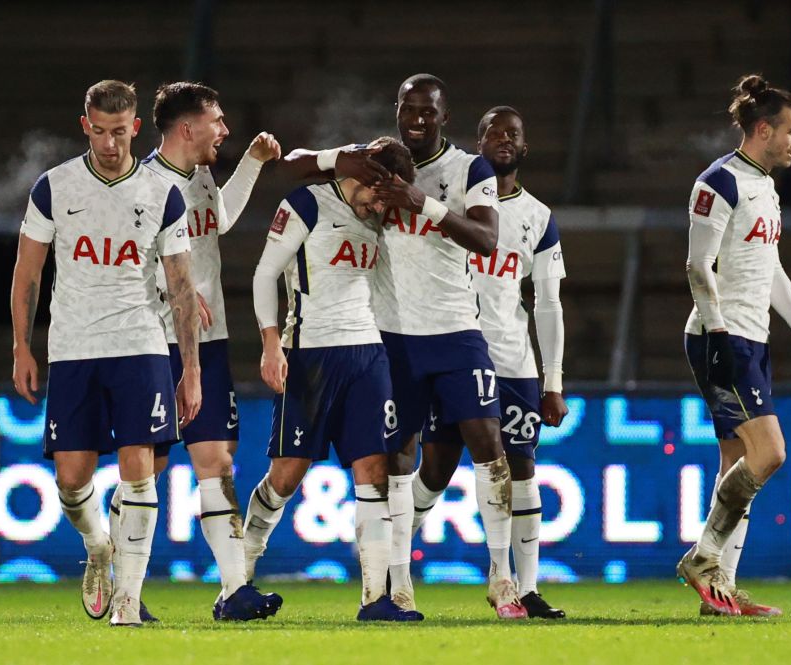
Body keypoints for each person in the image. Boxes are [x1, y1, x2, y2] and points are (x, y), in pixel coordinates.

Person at [10, 80, 202, 627]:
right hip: (72, 347)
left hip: (139, 343)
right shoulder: (54, 187)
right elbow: (28, 272)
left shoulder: (162, 194)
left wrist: (189, 370)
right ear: (85, 126)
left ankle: (127, 602)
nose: (111, 143)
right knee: (71, 478)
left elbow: (182, 288)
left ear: (136, 127)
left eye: (120, 132)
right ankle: (98, 546)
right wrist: (22, 345)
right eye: (100, 131)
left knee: (139, 469)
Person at [115, 81, 281, 622]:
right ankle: (119, 578)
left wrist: (252, 164)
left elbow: (215, 219)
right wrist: (174, 293)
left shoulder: (202, 176)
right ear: (188, 128)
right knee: (149, 467)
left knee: (217, 459)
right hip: (157, 341)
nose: (226, 130)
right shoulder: (140, 185)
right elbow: (121, 260)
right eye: (218, 120)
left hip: (208, 344)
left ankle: (235, 590)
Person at [242, 137, 423, 621]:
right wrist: (271, 343)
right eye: (381, 192)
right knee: (286, 477)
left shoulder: (378, 222)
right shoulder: (307, 203)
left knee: (374, 473)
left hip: (367, 355)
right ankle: (237, 581)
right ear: (364, 175)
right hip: (309, 355)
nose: (383, 205)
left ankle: (375, 599)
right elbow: (264, 275)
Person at [370, 74, 526, 619]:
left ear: (444, 116)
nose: (416, 120)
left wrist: (422, 203)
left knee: (489, 447)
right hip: (393, 334)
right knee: (397, 456)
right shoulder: (375, 165)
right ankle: (399, 581)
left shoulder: (469, 169)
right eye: (408, 110)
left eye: (427, 112)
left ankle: (502, 577)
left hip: (457, 331)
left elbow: (486, 239)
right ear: (397, 111)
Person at [679, 74, 791, 616]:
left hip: (751, 337)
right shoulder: (718, 183)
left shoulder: (763, 185)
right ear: (763, 129)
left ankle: (719, 591)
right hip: (722, 338)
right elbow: (698, 265)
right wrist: (719, 332)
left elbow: (767, 268)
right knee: (770, 454)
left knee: (737, 464)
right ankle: (703, 558)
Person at [413, 106, 568, 619]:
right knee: (434, 472)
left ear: (525, 146)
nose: (504, 139)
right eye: (493, 132)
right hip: (452, 349)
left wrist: (554, 381)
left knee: (521, 470)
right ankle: (387, 564)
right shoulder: (448, 199)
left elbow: (547, 303)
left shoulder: (539, 218)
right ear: (476, 142)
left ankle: (522, 586)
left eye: (514, 133)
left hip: (512, 360)